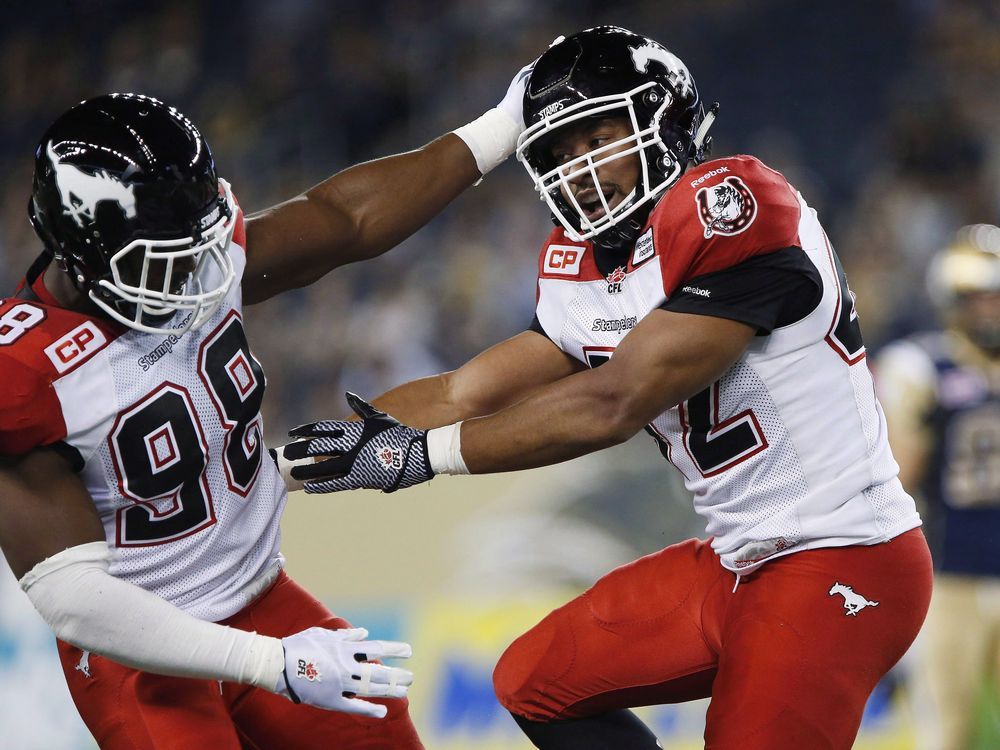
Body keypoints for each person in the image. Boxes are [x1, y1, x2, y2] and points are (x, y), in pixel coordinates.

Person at [277, 26, 934, 749]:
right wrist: (291, 465)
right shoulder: (583, 264)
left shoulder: (732, 203)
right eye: (559, 153)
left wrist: (421, 457)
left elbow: (615, 402)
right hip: (738, 560)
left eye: (595, 138)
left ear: (664, 120)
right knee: (537, 680)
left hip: (843, 553)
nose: (578, 169)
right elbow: (463, 393)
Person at [0, 64, 533, 750]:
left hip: (260, 595)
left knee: (382, 734)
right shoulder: (25, 373)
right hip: (135, 656)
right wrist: (271, 663)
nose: (201, 267)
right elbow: (75, 602)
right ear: (84, 255)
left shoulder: (185, 260)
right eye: (168, 258)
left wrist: (504, 126)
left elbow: (346, 220)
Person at [875, 225, 1000, 750]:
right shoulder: (922, 365)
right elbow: (899, 473)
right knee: (946, 726)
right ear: (954, 301)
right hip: (951, 572)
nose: (992, 311)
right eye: (982, 299)